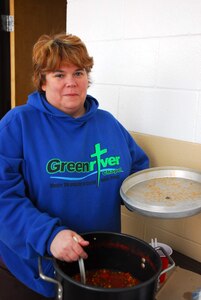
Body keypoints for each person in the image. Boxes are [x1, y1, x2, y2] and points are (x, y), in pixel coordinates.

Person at [0, 32, 149, 299]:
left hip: (99, 262)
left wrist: (158, 198)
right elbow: (3, 198)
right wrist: (49, 235)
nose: (71, 82)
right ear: (42, 82)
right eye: (59, 74)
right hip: (35, 269)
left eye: (78, 73)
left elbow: (137, 172)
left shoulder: (108, 124)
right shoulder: (17, 125)